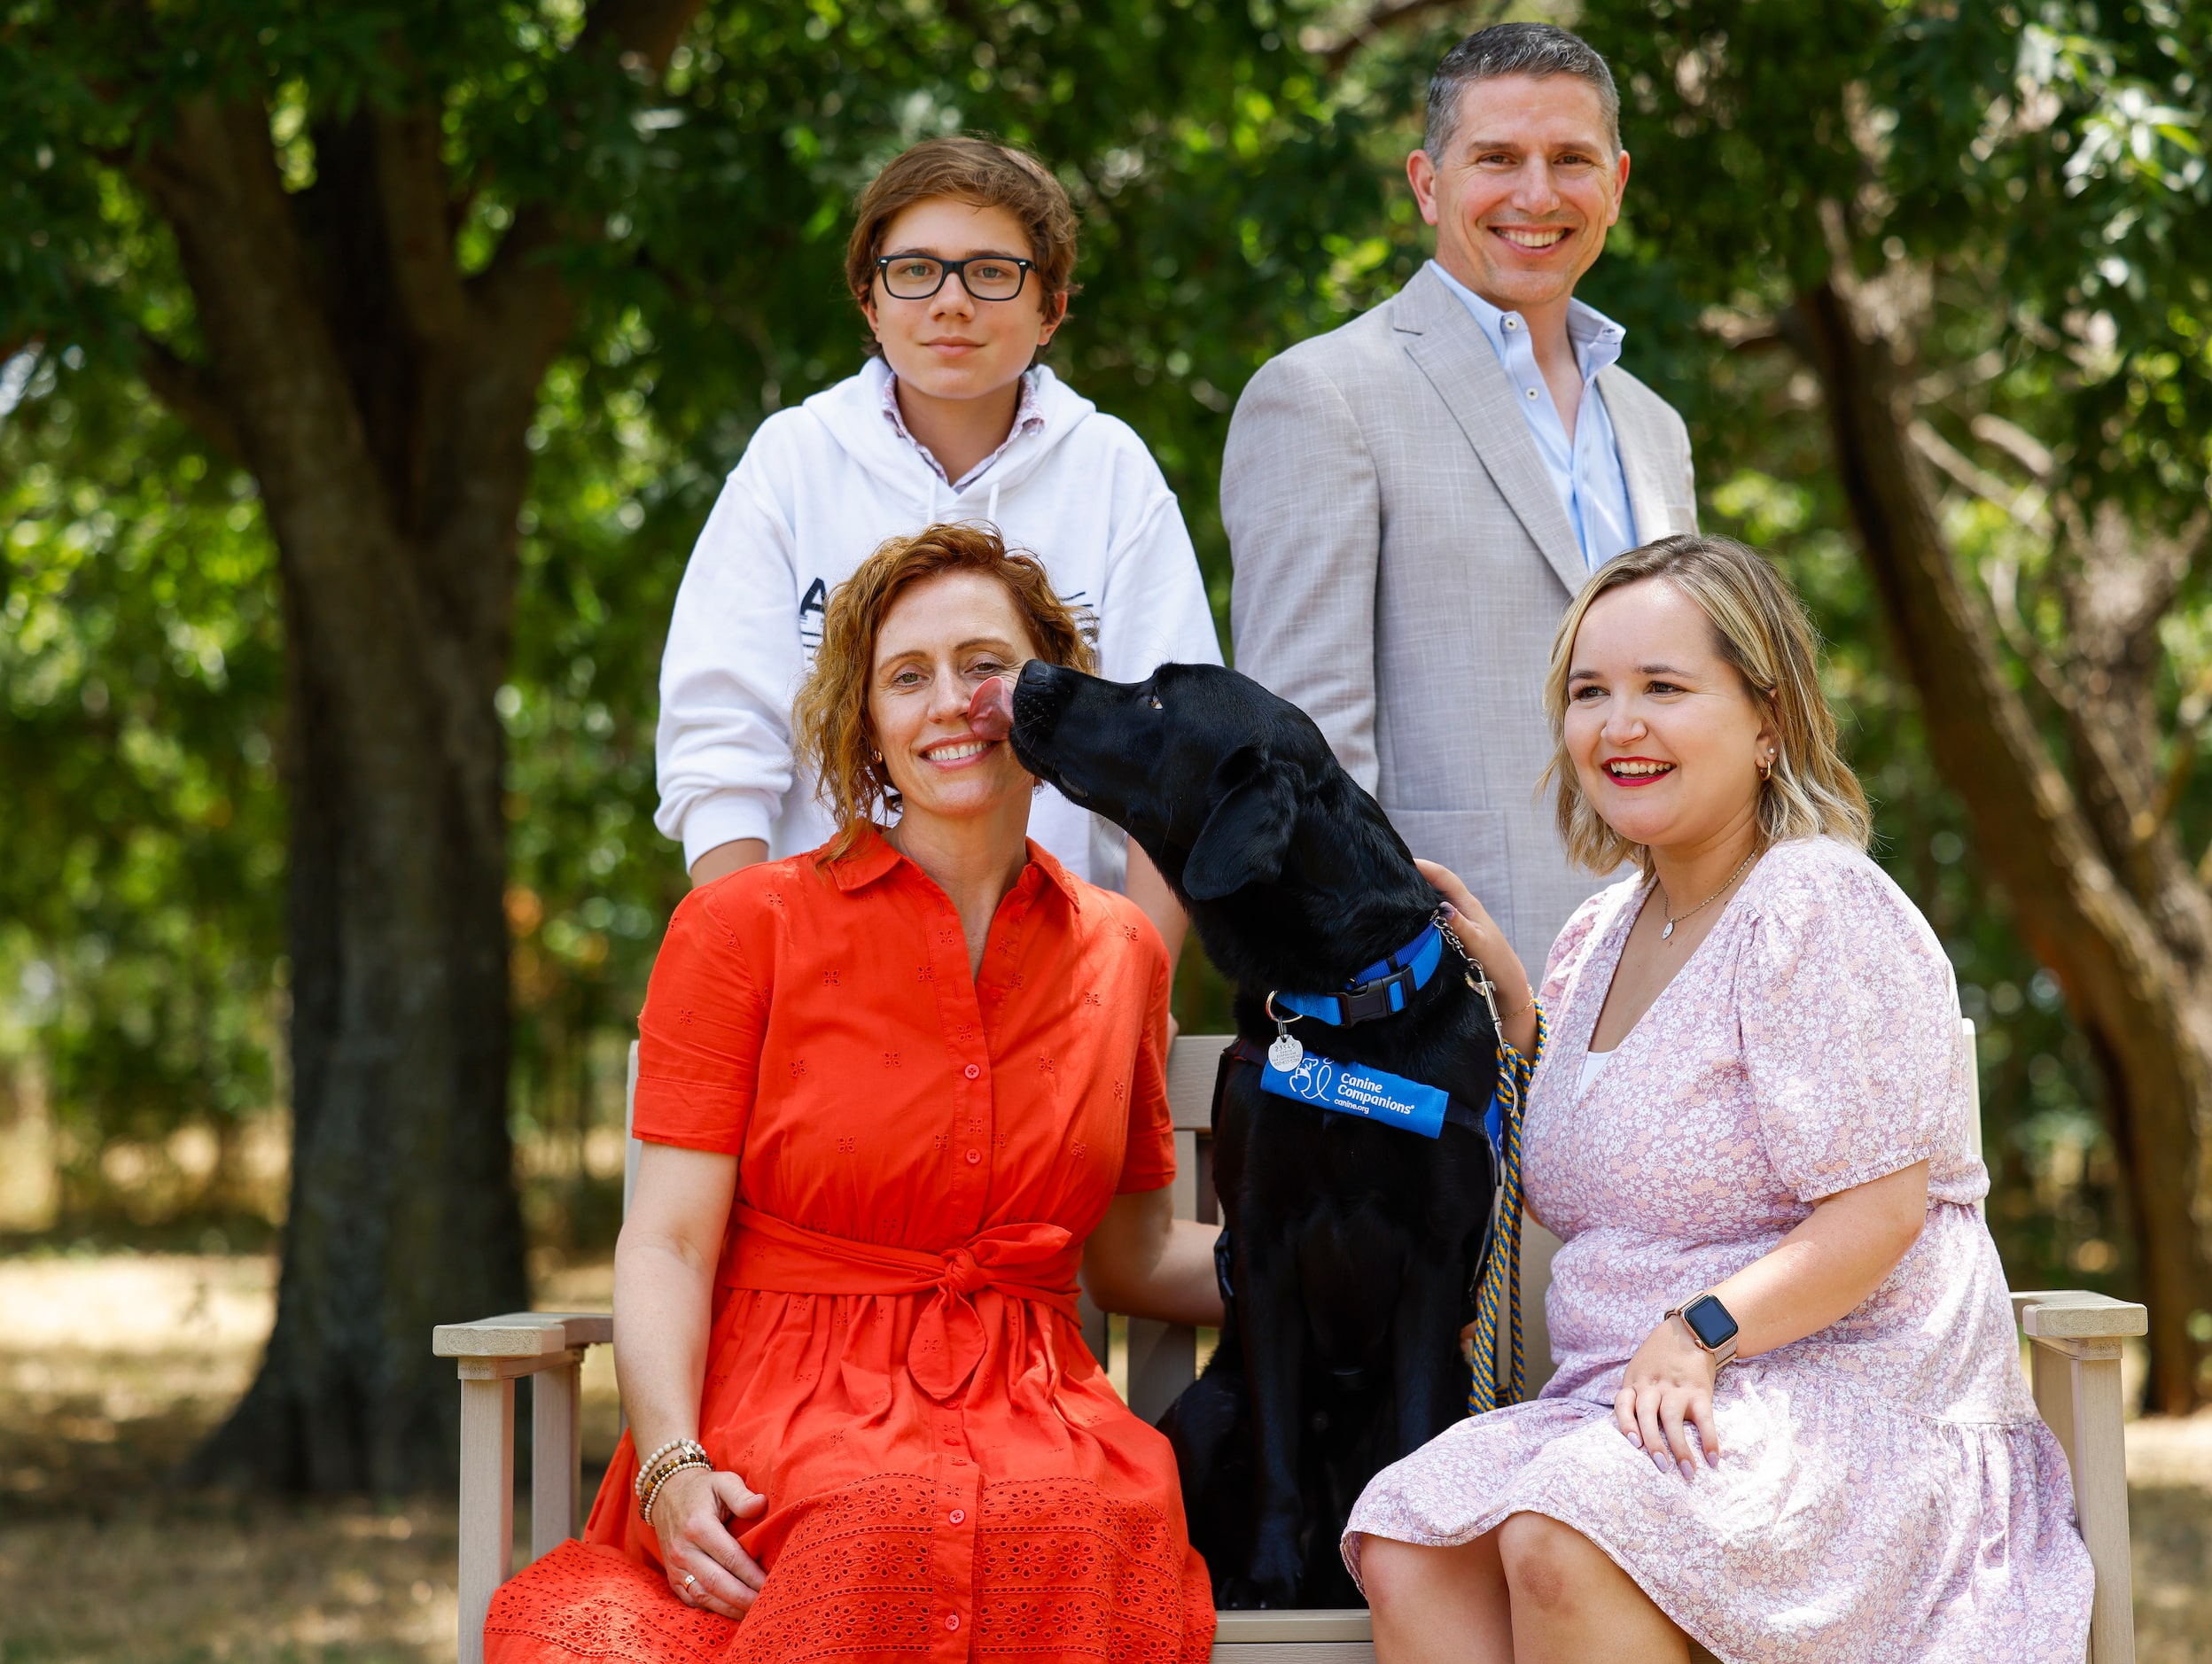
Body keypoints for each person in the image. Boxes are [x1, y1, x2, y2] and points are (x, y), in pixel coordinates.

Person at [1347, 535, 2097, 1663]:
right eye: (1588, 693)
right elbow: (1612, 1173)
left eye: (1662, 687)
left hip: (1843, 1404)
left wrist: (1701, 1330)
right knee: (1410, 1543)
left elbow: (1879, 1215)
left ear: (1766, 720)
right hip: (1632, 1407)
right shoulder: (1598, 934)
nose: (1617, 725)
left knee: (1558, 1534)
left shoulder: (1813, 905)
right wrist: (1518, 1032)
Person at [486, 526, 1223, 1664]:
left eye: (985, 666)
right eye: (906, 678)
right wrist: (672, 1463)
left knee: (1086, 1518)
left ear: (1046, 701)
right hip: (788, 1401)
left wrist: (1351, 1270)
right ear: (866, 726)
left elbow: (1126, 1258)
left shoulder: (1123, 951)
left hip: (1033, 1404)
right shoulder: (746, 927)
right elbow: (670, 1244)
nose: (949, 704)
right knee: (872, 1520)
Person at [655, 136, 1219, 966]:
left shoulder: (1111, 472)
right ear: (869, 302)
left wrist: (1138, 988)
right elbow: (719, 747)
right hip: (825, 980)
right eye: (915, 270)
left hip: (1057, 977)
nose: (951, 302)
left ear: (1051, 309)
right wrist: (753, 972)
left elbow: (1174, 756)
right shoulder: (792, 462)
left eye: (991, 273)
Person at [1224, 21, 1701, 979]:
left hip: (1667, 978)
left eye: (1569, 159)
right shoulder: (1321, 396)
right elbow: (1303, 761)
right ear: (1425, 183)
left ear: (1614, 184)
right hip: (1446, 995)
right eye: (1496, 158)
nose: (1536, 193)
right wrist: (1384, 999)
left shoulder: (1654, 427)